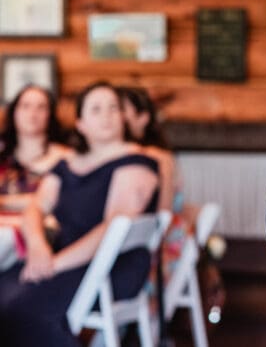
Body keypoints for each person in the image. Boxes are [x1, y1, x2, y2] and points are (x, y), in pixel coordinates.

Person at [0, 81, 160, 345]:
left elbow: (112, 227)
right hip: (60, 255)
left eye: (113, 108)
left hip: (110, 266)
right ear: (81, 123)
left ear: (123, 117)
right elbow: (35, 208)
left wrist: (54, 264)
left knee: (22, 308)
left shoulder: (137, 163)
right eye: (96, 109)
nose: (107, 115)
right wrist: (39, 247)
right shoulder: (69, 163)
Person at [0, 85, 71, 215]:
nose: (32, 113)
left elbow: (63, 200)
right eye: (25, 106)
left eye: (41, 107)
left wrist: (4, 202)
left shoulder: (65, 158)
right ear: (14, 112)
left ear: (50, 114)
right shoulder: (3, 157)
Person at [120, 86, 177, 212]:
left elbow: (165, 212)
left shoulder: (159, 158)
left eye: (121, 109)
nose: (115, 116)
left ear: (143, 118)